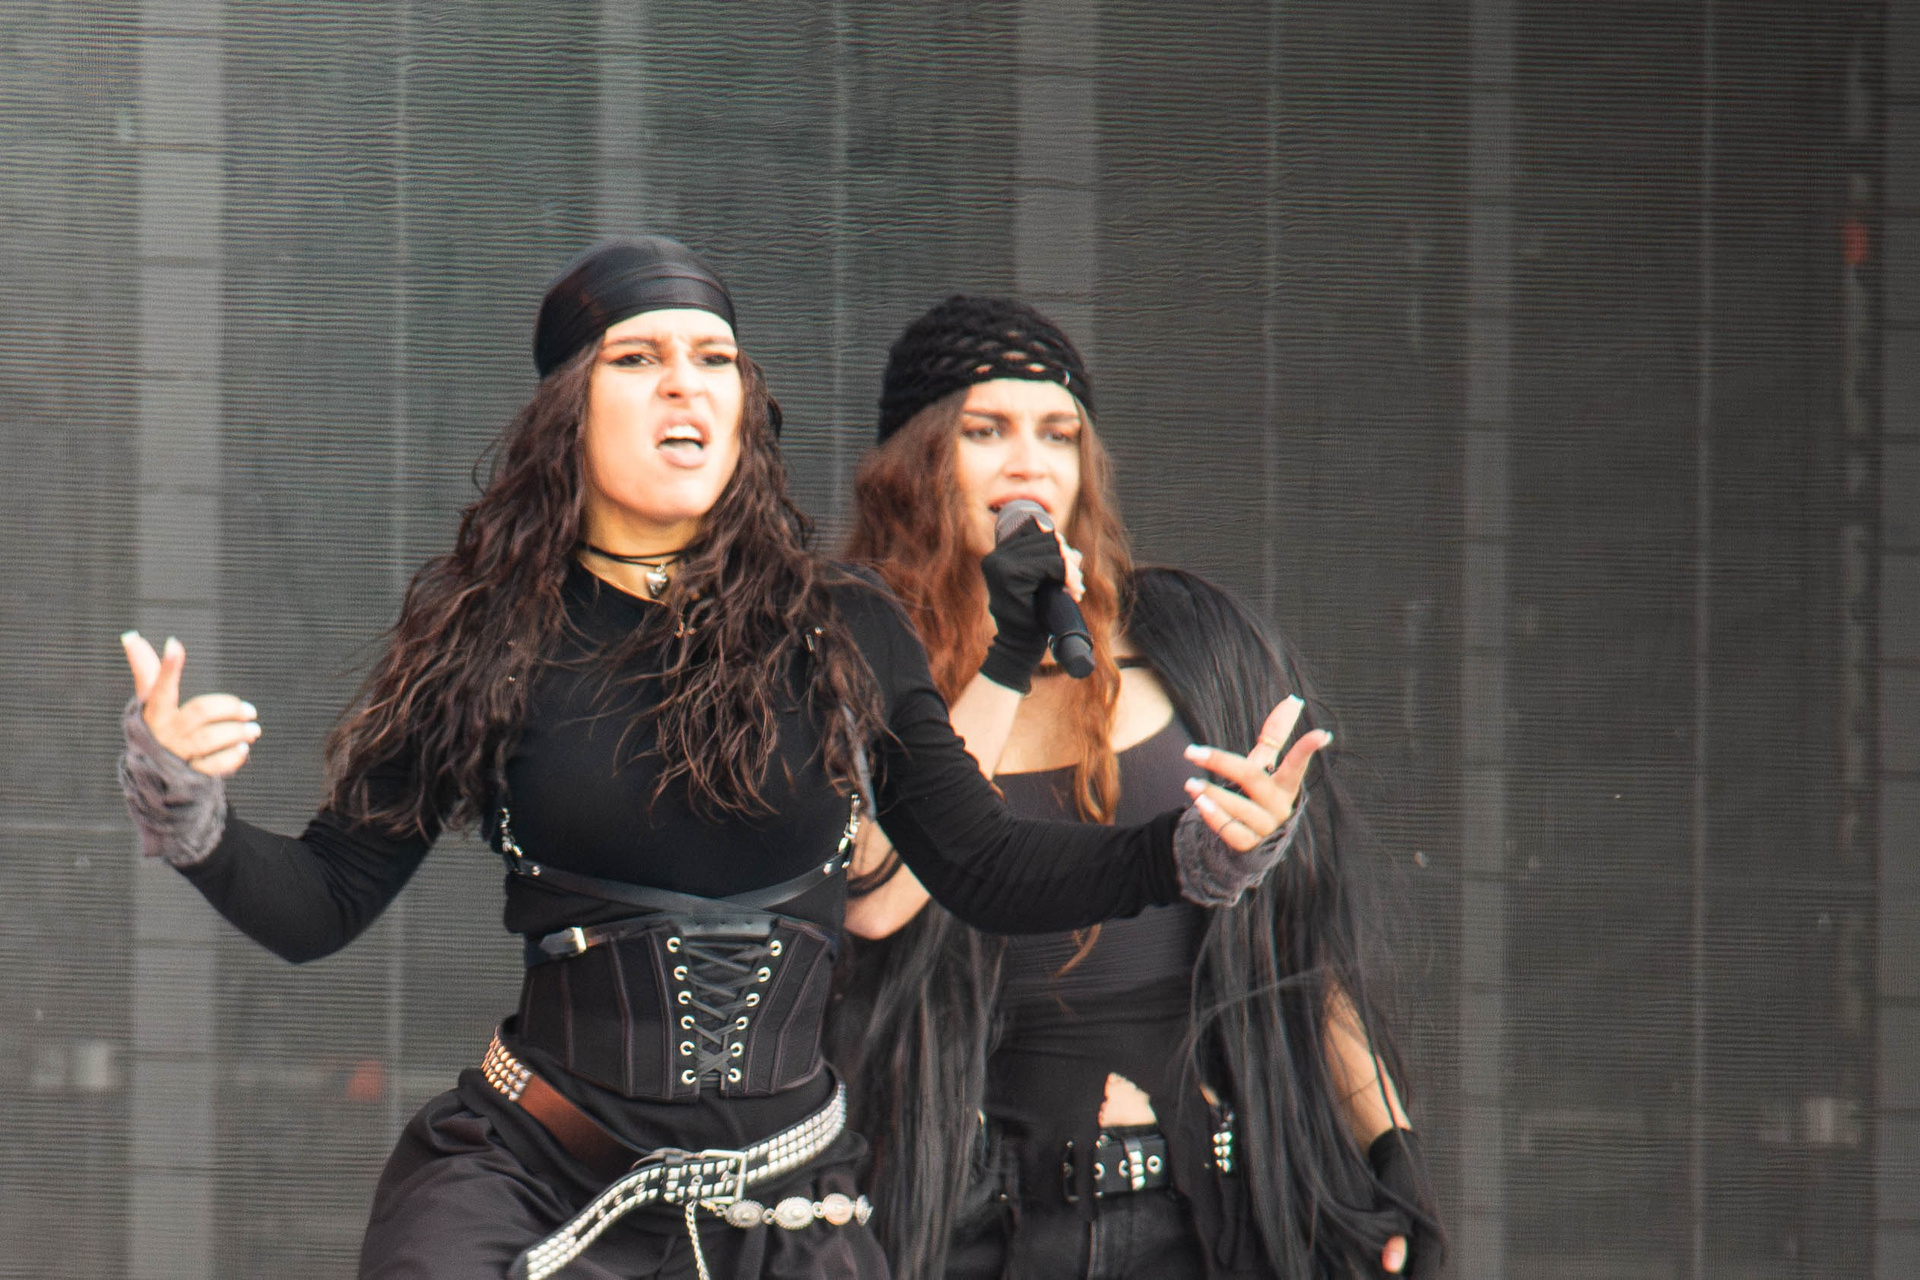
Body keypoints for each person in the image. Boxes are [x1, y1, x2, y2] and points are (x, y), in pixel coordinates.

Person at [114, 240, 1314, 1280]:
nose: (686, 381)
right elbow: (322, 900)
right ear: (569, 406)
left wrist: (1190, 853)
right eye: (638, 358)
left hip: (784, 1210)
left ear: (744, 405)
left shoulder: (843, 624)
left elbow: (979, 864)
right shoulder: (487, 635)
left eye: (715, 358)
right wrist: (192, 814)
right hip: (532, 1175)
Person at [830, 296, 1445, 1279]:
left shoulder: (1195, 645)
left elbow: (1302, 954)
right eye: (985, 431)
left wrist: (1390, 1149)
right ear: (913, 466)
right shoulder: (853, 658)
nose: (1029, 463)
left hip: (1203, 1213)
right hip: (970, 1224)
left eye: (1058, 433)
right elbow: (874, 893)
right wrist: (1004, 649)